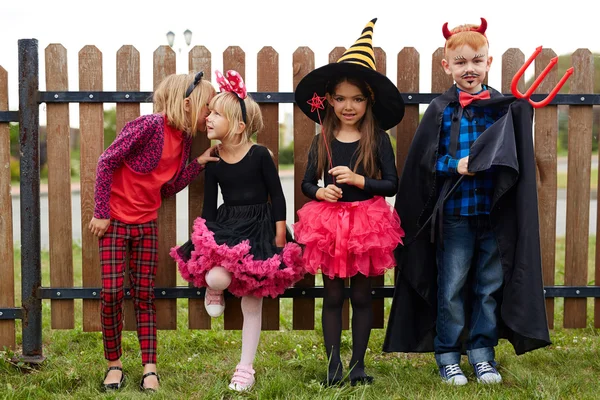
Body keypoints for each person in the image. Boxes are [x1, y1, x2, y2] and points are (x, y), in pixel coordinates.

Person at [383, 18, 551, 385]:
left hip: (494, 214)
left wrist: (523, 117)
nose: (469, 68)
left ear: (489, 62)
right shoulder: (441, 109)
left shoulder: (504, 107)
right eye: (460, 62)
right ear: (447, 66)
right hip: (456, 217)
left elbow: (516, 157)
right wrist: (454, 164)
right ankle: (448, 356)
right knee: (453, 287)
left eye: (476, 60)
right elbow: (426, 161)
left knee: (489, 286)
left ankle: (482, 355)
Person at [170, 70, 305, 392]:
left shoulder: (259, 155)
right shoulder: (214, 159)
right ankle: (213, 287)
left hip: (260, 227)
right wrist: (204, 241)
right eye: (210, 112)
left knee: (251, 302)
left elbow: (278, 195)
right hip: (228, 225)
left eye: (216, 113)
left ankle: (245, 367)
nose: (208, 118)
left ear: (240, 126)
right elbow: (208, 207)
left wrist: (279, 236)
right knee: (217, 276)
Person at [89, 71, 219, 392]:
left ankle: (150, 369)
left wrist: (198, 162)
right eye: (208, 106)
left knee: (145, 296)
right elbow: (106, 161)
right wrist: (101, 213)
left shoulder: (185, 139)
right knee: (111, 295)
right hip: (115, 222)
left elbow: (168, 186)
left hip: (146, 223)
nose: (210, 113)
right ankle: (114, 364)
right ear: (188, 104)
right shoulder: (148, 126)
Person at [293, 18, 405, 387]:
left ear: (368, 100)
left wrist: (361, 181)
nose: (348, 106)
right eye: (340, 98)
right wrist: (319, 192)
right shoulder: (321, 140)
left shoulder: (377, 140)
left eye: (356, 98)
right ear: (327, 100)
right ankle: (332, 366)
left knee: (361, 296)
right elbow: (308, 183)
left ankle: (357, 365)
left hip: (365, 225)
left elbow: (391, 184)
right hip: (329, 226)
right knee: (333, 296)